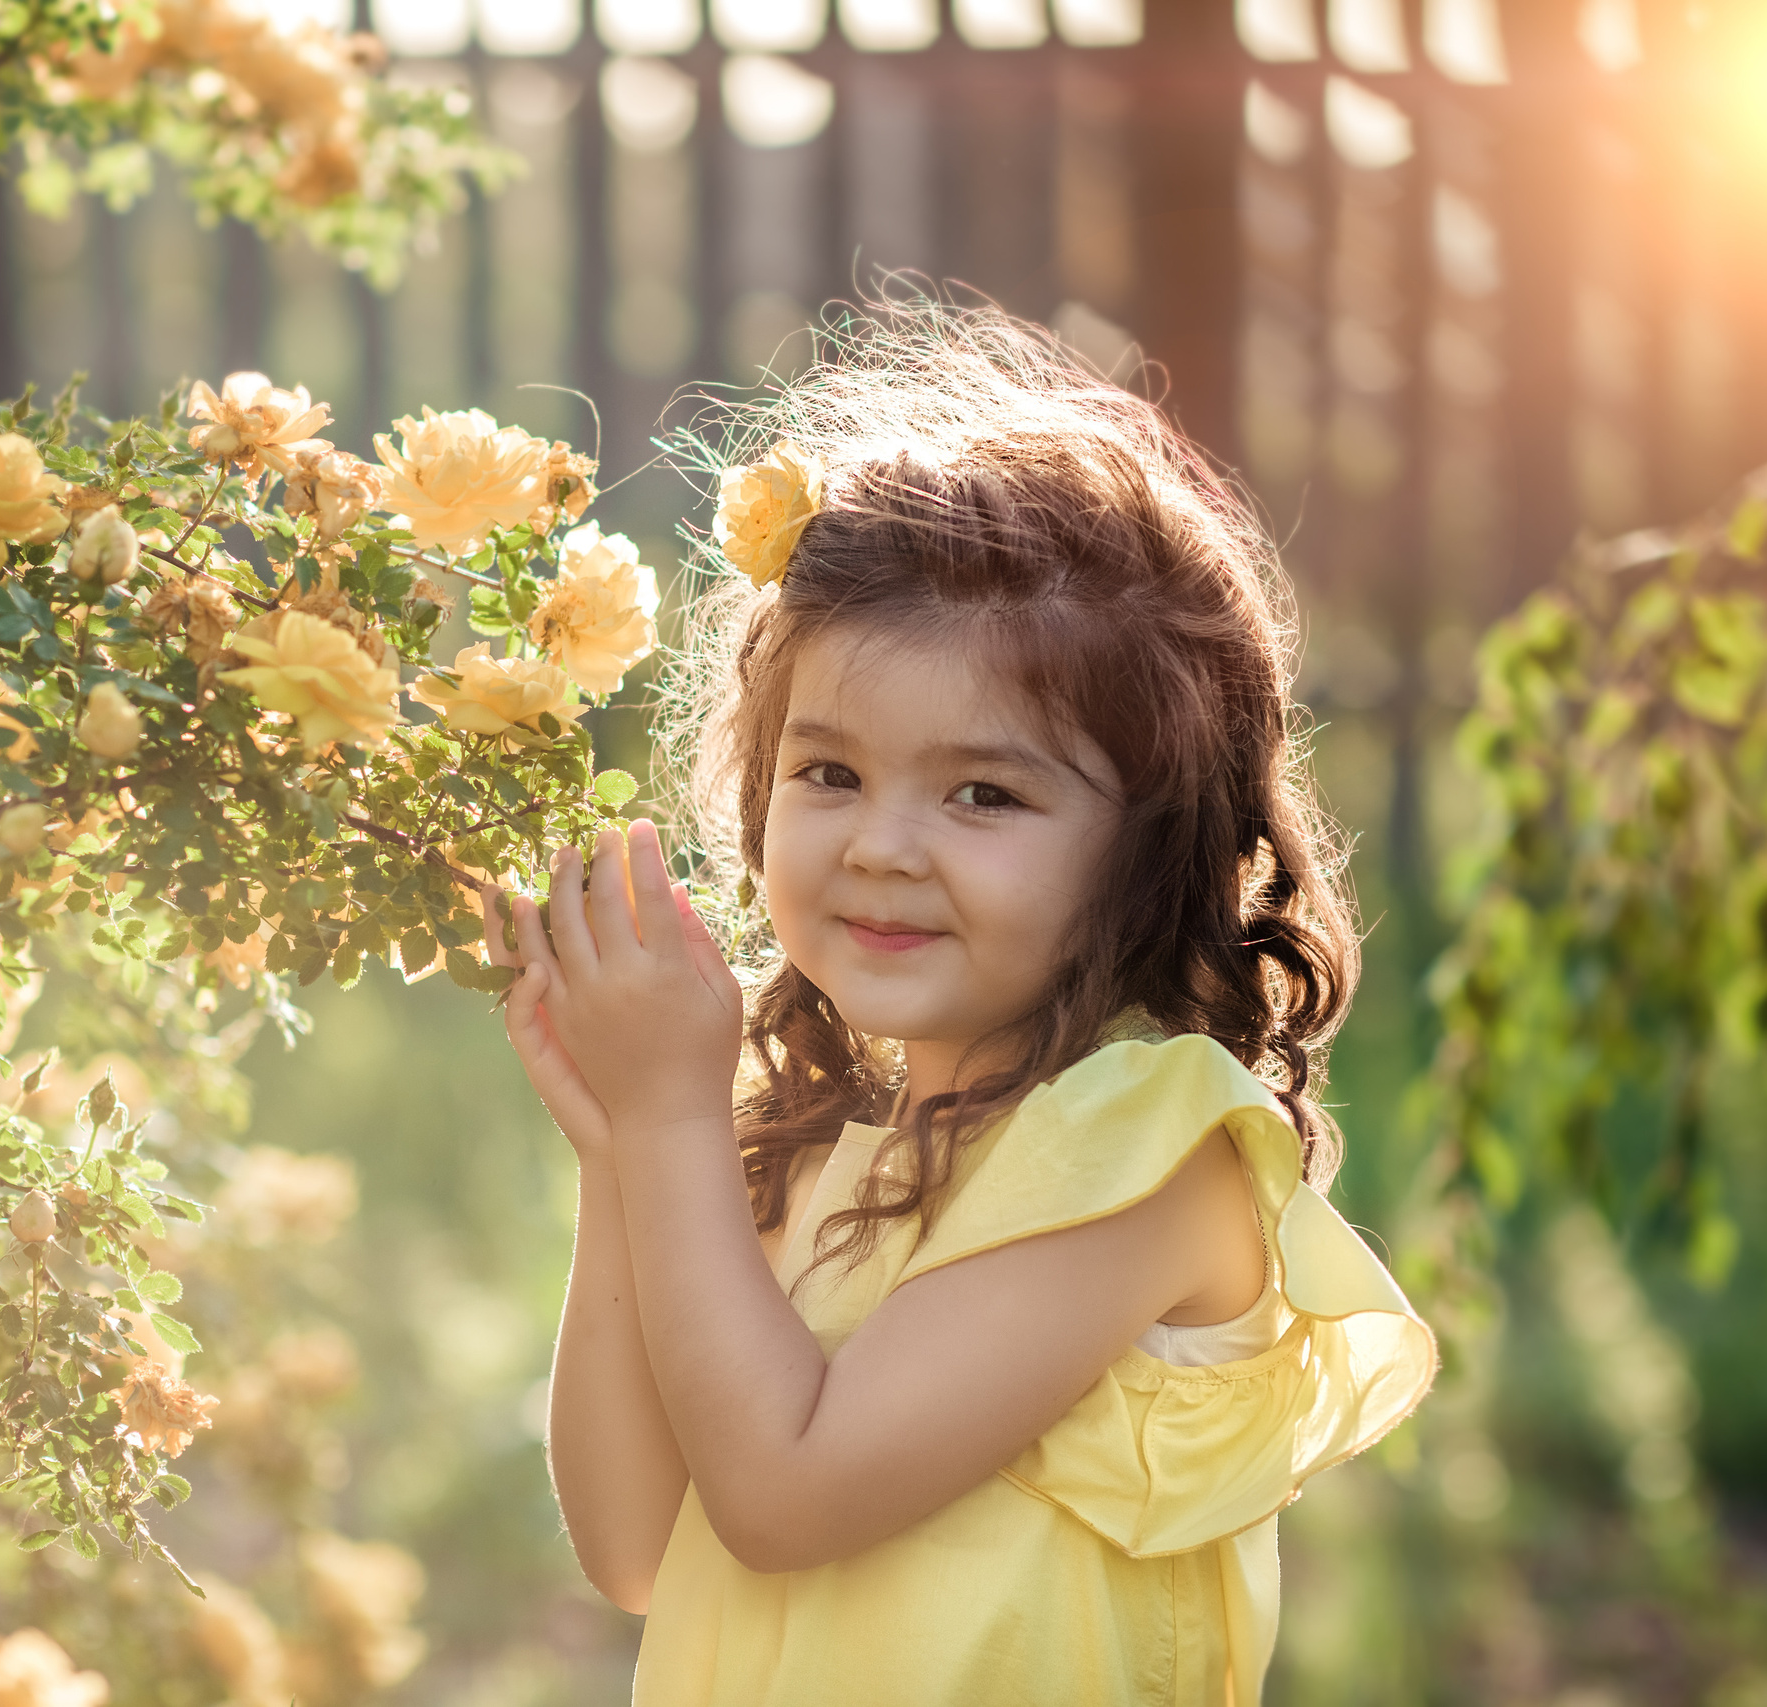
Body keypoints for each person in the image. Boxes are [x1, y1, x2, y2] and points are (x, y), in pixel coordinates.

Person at [480, 303, 1436, 1706]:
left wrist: (673, 1123)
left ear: (1150, 842)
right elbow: (639, 1548)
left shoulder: (1154, 1146)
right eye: (830, 774)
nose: (881, 846)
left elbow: (785, 1495)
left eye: (983, 793)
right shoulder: (815, 1145)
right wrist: (622, 1151)